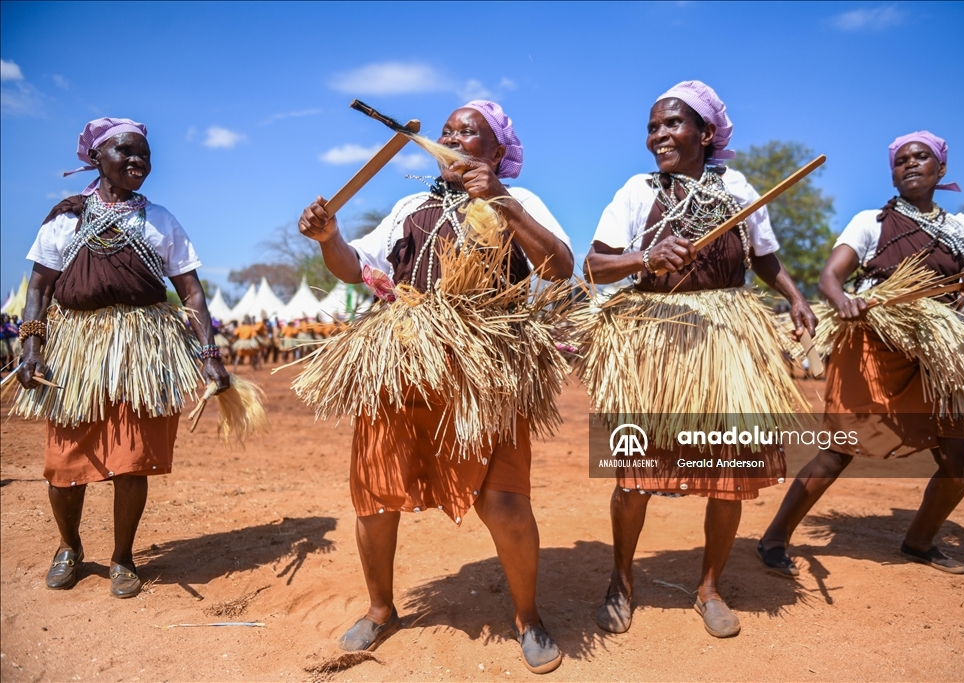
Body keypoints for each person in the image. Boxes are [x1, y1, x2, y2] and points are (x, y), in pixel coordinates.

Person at [295, 100, 573, 673]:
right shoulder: (409, 205)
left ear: (496, 153)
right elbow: (356, 266)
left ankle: (528, 617)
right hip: (401, 366)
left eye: (467, 134)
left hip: (480, 372)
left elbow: (559, 268)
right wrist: (329, 238)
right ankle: (380, 610)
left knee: (503, 501)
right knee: (375, 498)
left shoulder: (520, 202)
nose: (451, 139)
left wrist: (499, 200)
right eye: (447, 132)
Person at [577, 81, 816, 638]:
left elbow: (765, 259)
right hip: (657, 344)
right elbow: (592, 265)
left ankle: (709, 587)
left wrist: (797, 296)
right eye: (653, 126)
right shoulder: (637, 190)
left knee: (728, 475)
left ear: (706, 134)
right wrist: (645, 257)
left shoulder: (738, 188)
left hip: (728, 341)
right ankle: (621, 581)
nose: (658, 135)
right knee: (635, 476)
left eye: (672, 124)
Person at [758, 131, 964, 576]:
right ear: (892, 173)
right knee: (837, 452)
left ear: (941, 169)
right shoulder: (870, 221)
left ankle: (919, 542)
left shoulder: (961, 228)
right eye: (901, 160)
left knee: (960, 459)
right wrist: (843, 301)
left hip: (933, 354)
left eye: (921, 157)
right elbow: (829, 278)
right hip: (871, 344)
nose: (910, 164)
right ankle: (774, 538)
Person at [11, 117, 230, 597]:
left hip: (142, 347)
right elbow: (40, 289)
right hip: (77, 348)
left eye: (145, 155)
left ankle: (122, 557)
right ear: (96, 158)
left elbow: (191, 293)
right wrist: (31, 347)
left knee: (132, 460)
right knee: (65, 461)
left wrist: (209, 353)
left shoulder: (161, 220)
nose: (138, 161)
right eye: (125, 152)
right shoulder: (65, 217)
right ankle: (68, 547)